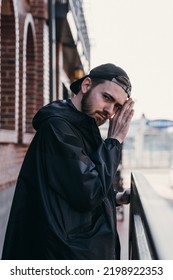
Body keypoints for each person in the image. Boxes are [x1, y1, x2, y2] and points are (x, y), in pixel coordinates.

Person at [2, 63, 134, 260]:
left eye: (117, 107)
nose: (109, 110)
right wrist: (114, 142)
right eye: (107, 97)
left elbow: (71, 186)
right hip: (61, 255)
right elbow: (89, 192)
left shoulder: (82, 127)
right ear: (86, 85)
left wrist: (115, 197)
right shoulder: (58, 128)